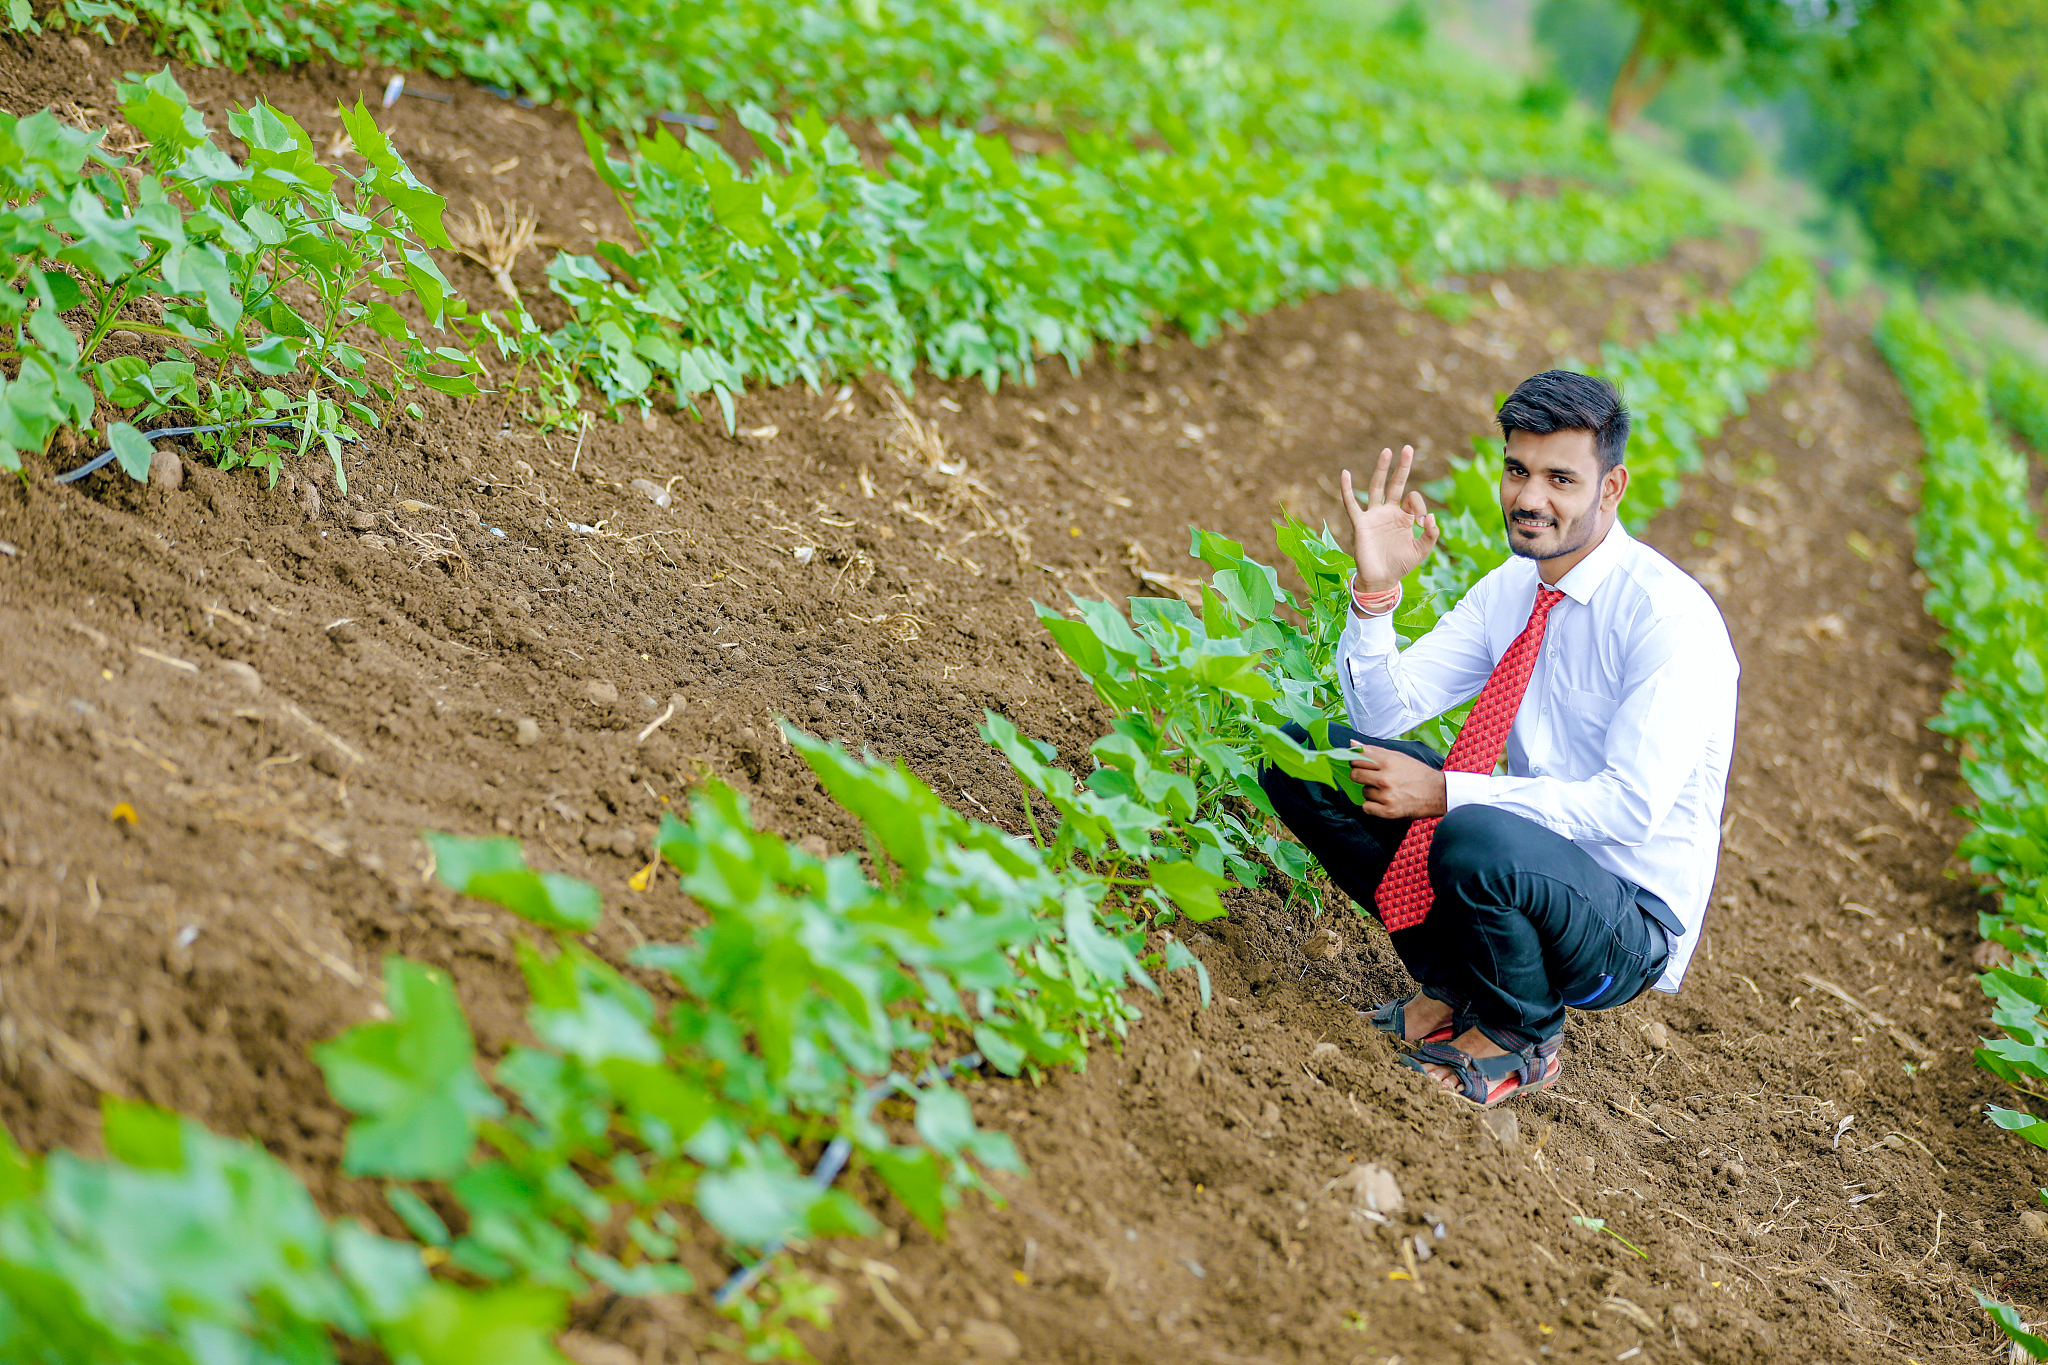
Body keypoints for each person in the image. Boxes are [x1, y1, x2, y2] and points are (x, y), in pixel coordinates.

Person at [1259, 370, 1738, 1108]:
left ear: (1611, 488)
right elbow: (1387, 711)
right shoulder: (1512, 590)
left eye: (1560, 479)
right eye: (1517, 470)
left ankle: (1523, 1034)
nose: (1529, 498)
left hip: (1626, 921)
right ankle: (1453, 993)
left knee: (1474, 835)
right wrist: (1376, 591)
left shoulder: (1669, 620)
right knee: (1306, 758)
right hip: (1519, 858)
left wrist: (1445, 791)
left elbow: (1630, 808)